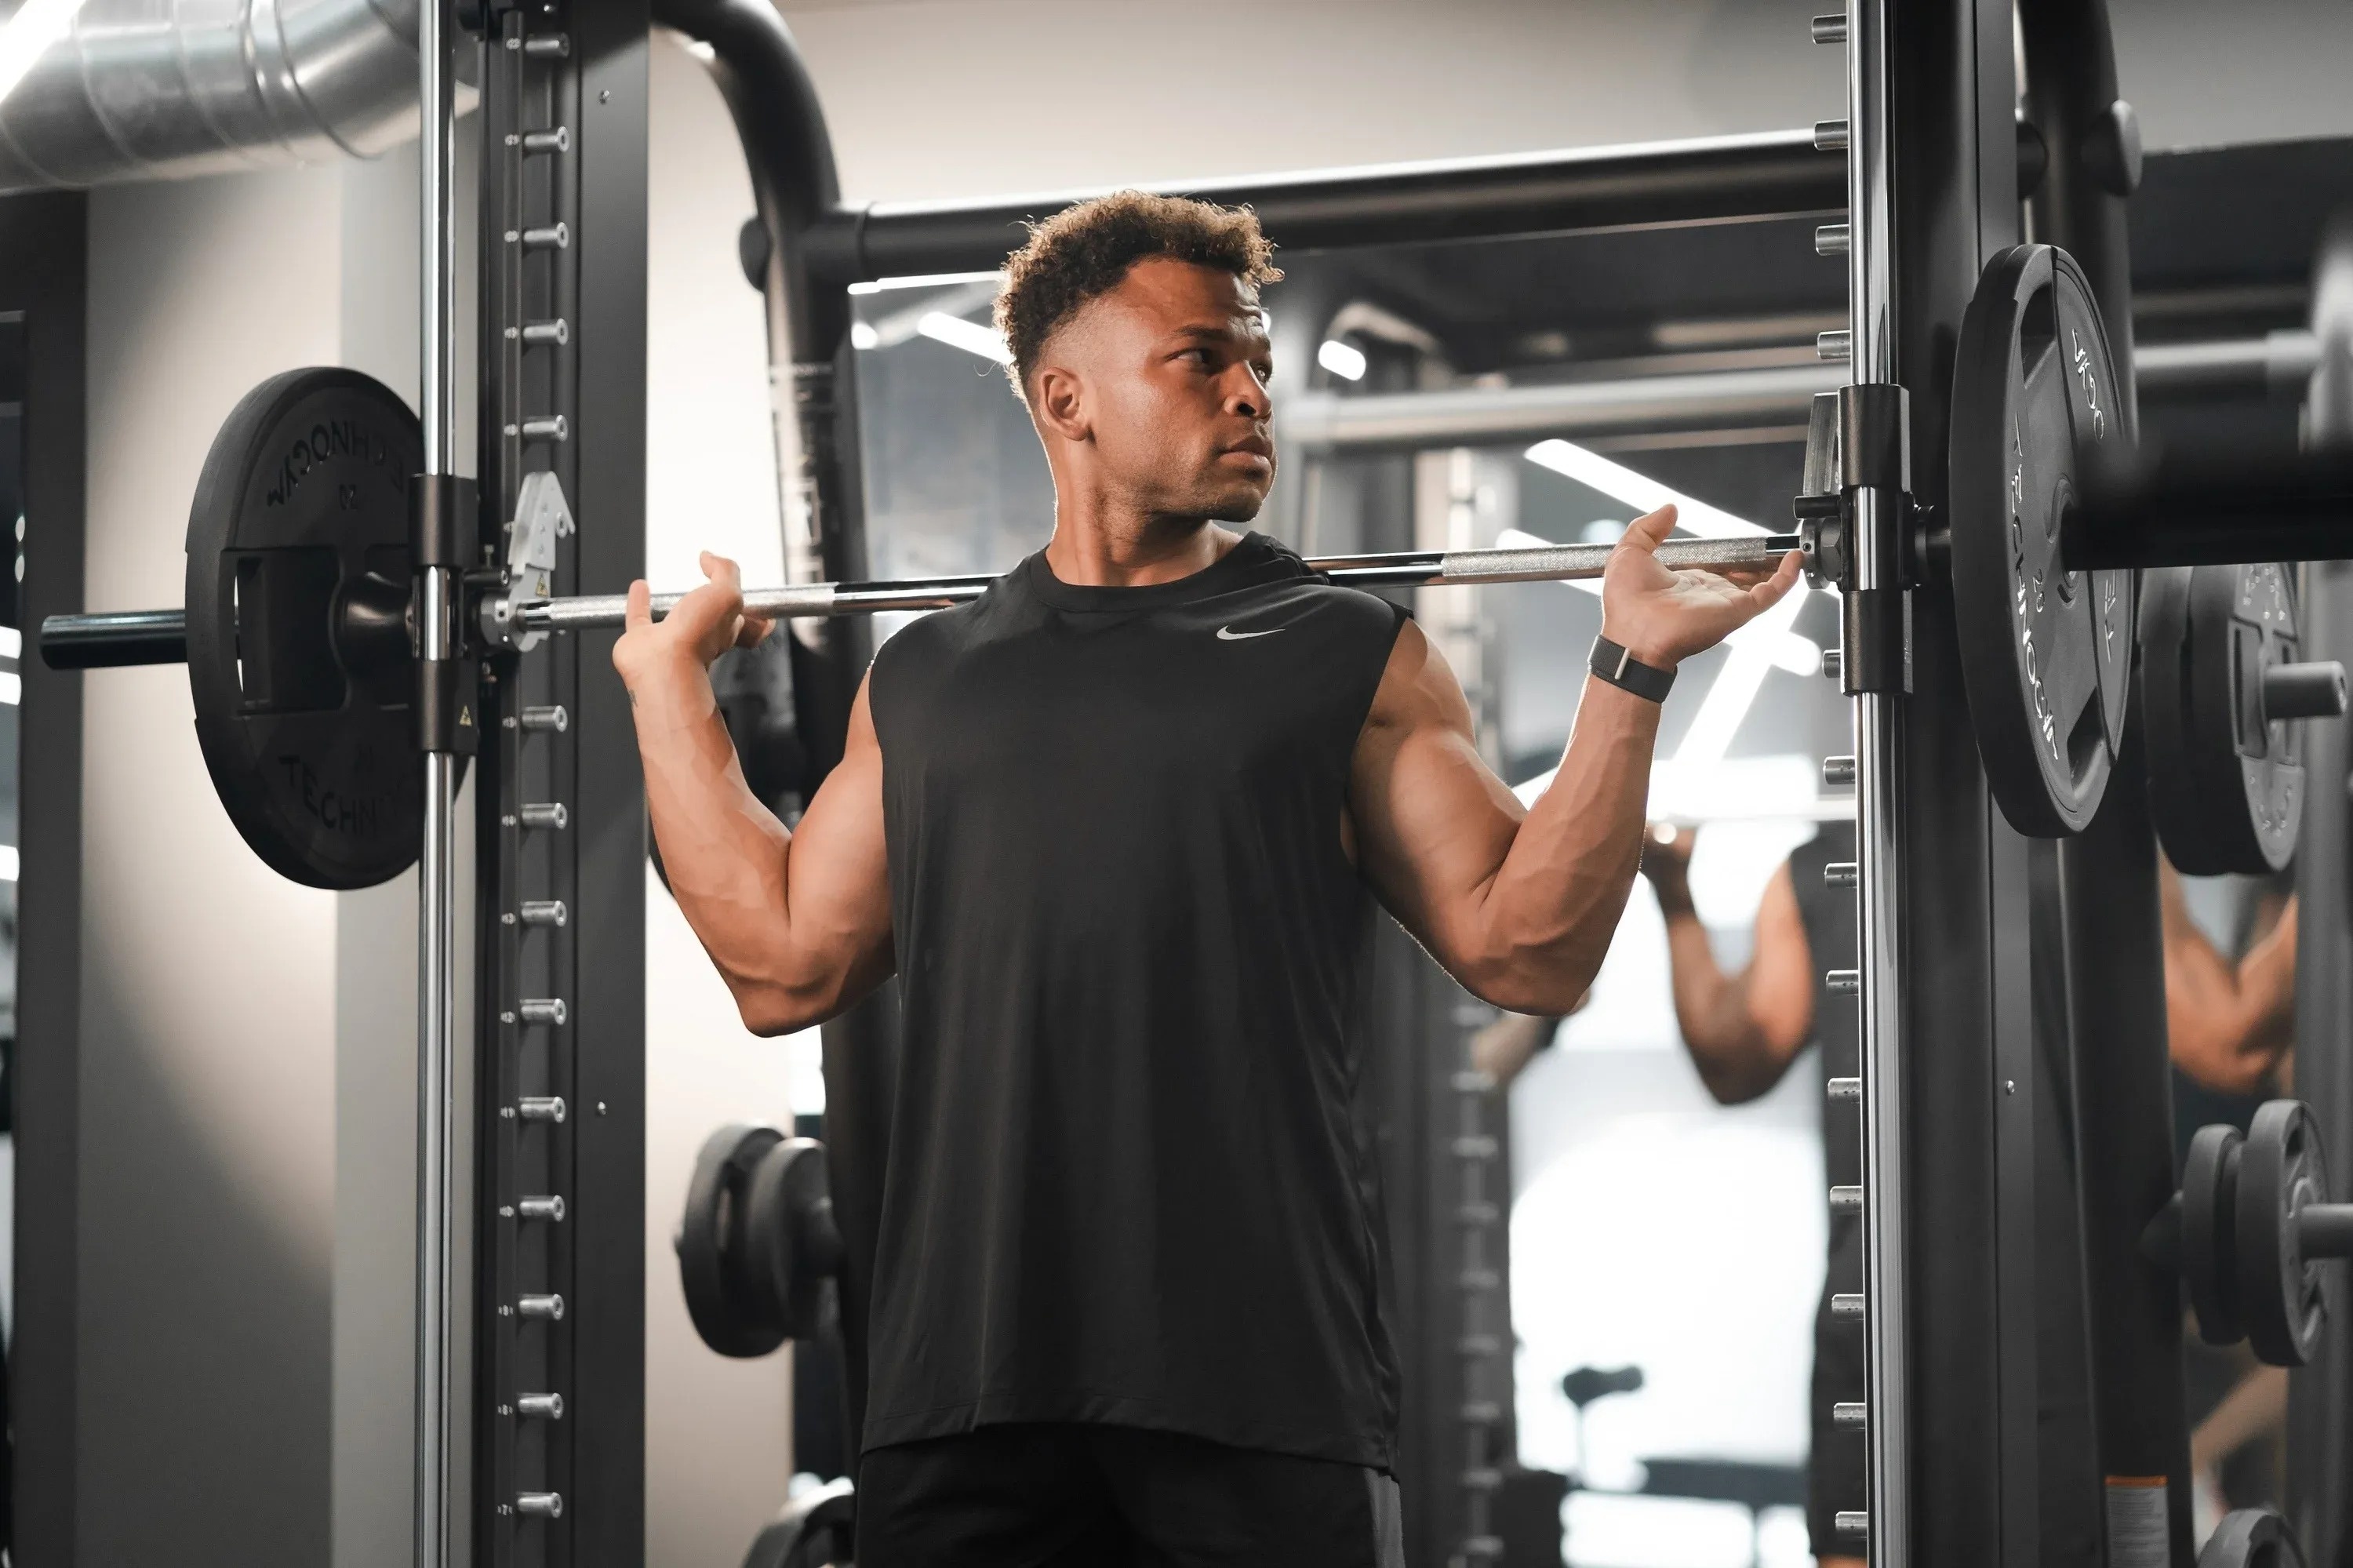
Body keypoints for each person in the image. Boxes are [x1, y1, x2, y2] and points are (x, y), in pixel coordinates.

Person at [616, 191, 1799, 1567]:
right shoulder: (927, 680)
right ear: (1067, 396)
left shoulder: (1345, 652)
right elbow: (784, 962)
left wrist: (1631, 667)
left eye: (1259, 365)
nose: (1251, 393)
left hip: (1261, 1396)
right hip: (963, 1400)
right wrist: (665, 691)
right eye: (1202, 359)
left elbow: (1529, 949)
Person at [1636, 820, 1860, 1568]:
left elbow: (2227, 1044)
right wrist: (1673, 896)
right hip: (1868, 1317)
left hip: (2059, 1325)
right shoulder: (1827, 864)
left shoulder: (2089, 832)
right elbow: (1736, 1058)